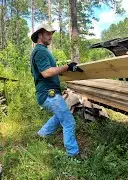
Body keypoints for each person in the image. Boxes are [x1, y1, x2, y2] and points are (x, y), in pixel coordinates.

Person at [30, 23, 83, 157]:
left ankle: (41, 135)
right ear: (39, 35)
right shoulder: (40, 51)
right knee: (69, 121)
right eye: (48, 33)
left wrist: (70, 70)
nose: (51, 36)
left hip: (49, 93)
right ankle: (73, 154)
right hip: (49, 94)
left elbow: (52, 71)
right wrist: (66, 67)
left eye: (51, 33)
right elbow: (47, 73)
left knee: (59, 116)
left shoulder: (42, 51)